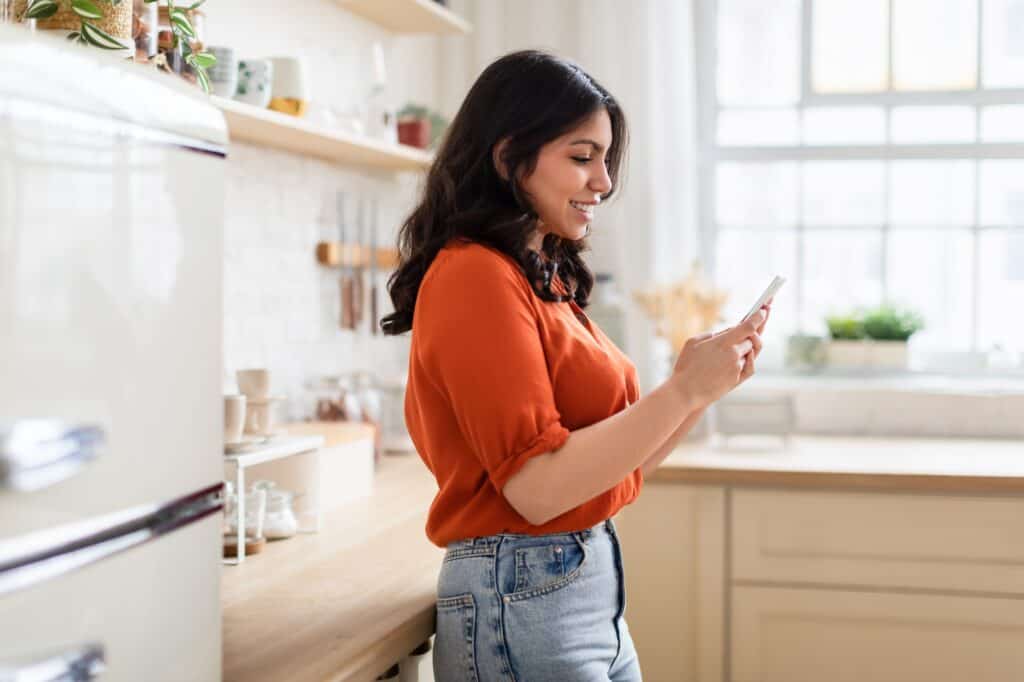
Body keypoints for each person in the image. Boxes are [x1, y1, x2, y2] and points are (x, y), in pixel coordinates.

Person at [381, 50, 770, 681]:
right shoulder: (474, 275)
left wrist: (700, 391)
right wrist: (680, 391)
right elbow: (536, 492)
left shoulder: (543, 279)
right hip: (522, 593)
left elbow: (614, 472)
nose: (604, 183)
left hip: (582, 589)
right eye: (582, 157)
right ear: (508, 158)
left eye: (606, 160)